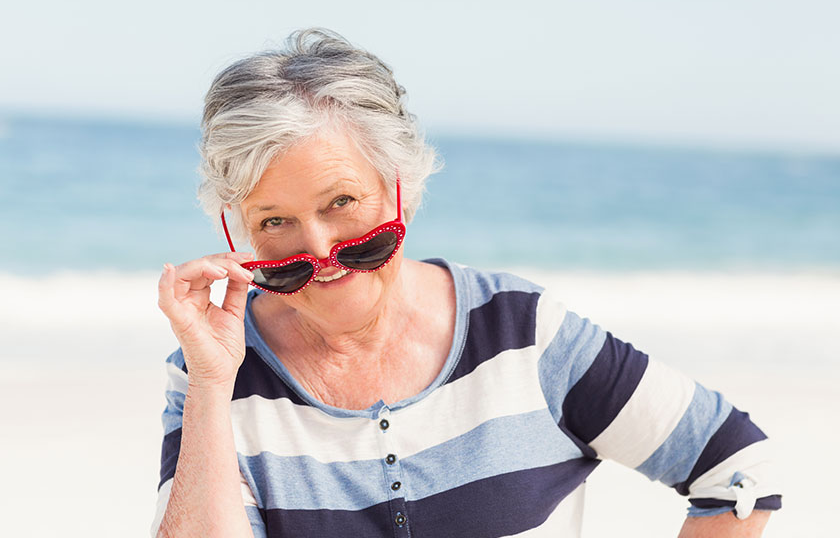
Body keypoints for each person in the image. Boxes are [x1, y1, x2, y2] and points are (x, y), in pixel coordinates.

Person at [152, 28, 781, 538]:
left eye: (341, 201)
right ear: (239, 232)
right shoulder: (215, 374)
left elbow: (734, 468)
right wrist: (211, 384)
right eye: (275, 221)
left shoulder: (521, 333)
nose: (319, 252)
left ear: (402, 185)